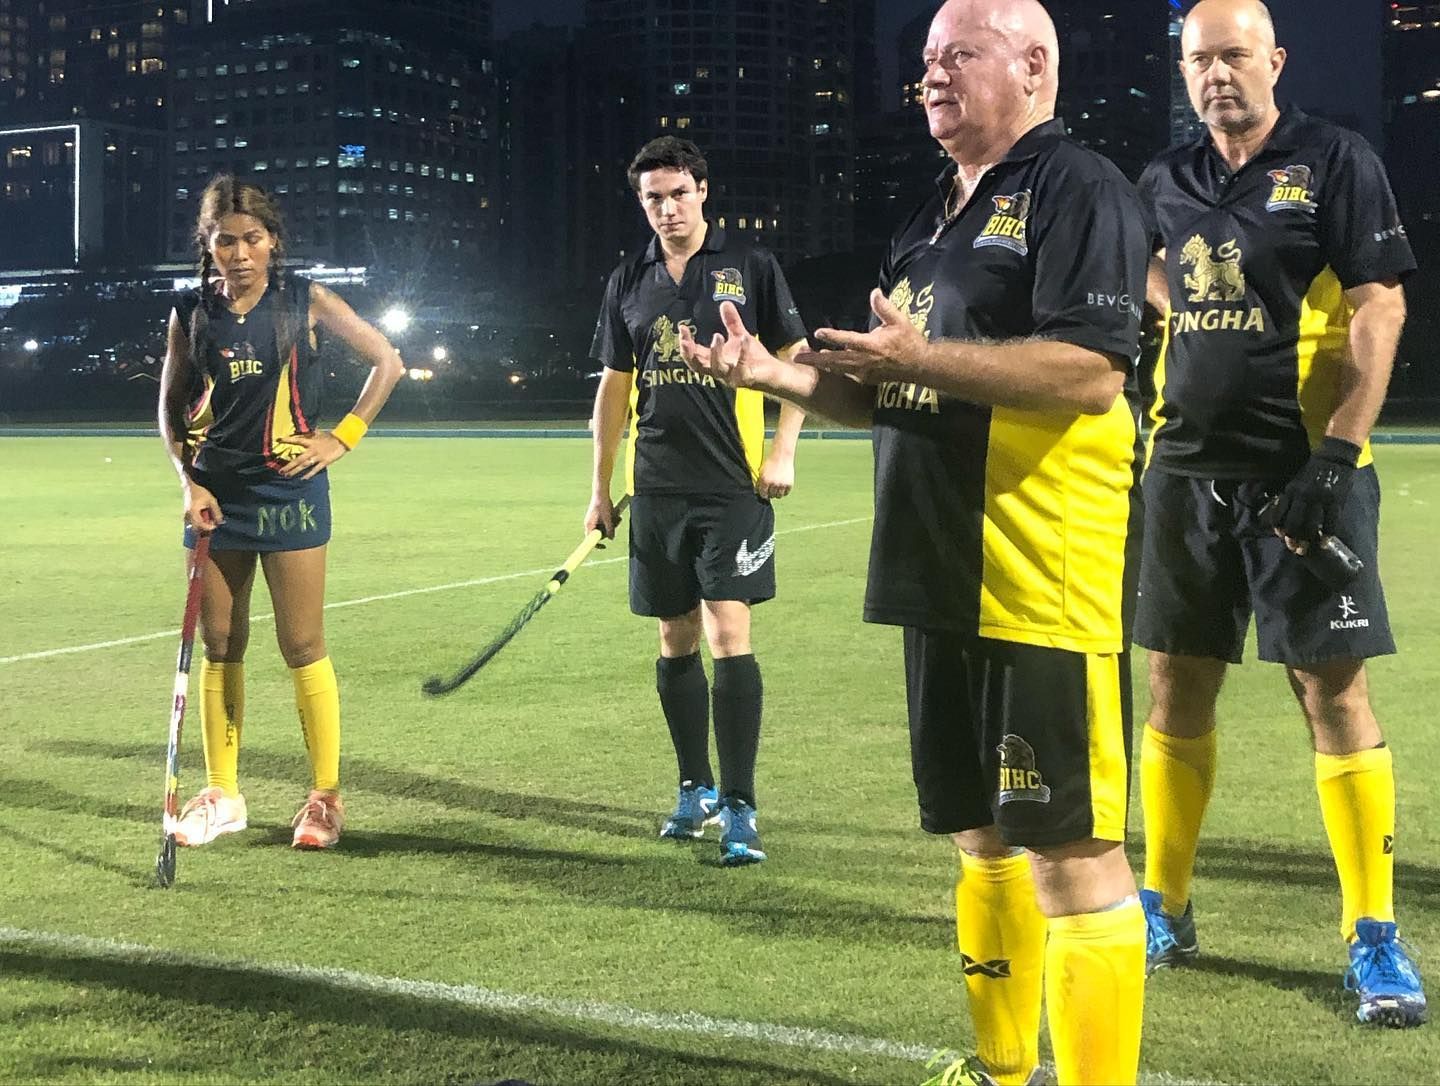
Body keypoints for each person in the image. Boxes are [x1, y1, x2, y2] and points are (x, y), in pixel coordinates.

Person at [680, 1, 1150, 1081]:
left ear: (1034, 66)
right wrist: (775, 377)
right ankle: (999, 1070)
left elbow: (1092, 371)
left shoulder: (1077, 189)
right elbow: (894, 397)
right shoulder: (926, 220)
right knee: (978, 837)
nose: (931, 76)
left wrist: (923, 363)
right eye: (927, 61)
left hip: (1040, 573)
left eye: (959, 56)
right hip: (935, 575)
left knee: (1073, 857)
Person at [1133, 0, 1427, 1028]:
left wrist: (1339, 452)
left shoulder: (1334, 161)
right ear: (1183, 72)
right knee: (1174, 682)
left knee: (1332, 692)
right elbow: (1149, 270)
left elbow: (1381, 304)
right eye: (1198, 59)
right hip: (1182, 472)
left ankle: (1375, 934)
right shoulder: (1165, 179)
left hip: (1305, 474)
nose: (1217, 74)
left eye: (1234, 55)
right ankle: (1163, 906)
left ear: (1275, 60)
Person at [157, 174, 404, 851]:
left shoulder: (307, 301)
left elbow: (387, 360)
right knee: (220, 644)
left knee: (301, 645)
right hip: (216, 497)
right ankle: (224, 794)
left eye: (251, 240)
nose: (238, 253)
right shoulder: (191, 312)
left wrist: (343, 436)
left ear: (272, 243)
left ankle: (324, 797)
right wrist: (188, 481)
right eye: (224, 241)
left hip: (291, 491)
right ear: (207, 246)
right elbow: (170, 406)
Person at [585, 136, 809, 867]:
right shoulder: (629, 278)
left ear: (702, 191)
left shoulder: (751, 267)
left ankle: (742, 806)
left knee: (727, 635)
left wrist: (783, 450)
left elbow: (796, 361)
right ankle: (695, 788)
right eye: (653, 197)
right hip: (655, 490)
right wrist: (600, 490)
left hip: (732, 486)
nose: (667, 207)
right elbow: (614, 390)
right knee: (673, 638)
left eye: (678, 192)